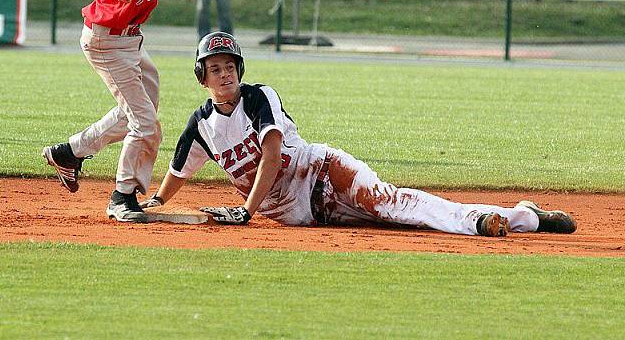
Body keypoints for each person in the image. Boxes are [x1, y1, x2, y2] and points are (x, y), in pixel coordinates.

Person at [140, 32, 578, 237]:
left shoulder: (258, 97)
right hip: (305, 215)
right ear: (203, 78)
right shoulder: (201, 125)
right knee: (401, 223)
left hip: (323, 173)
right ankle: (526, 217)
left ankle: (478, 224)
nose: (224, 75)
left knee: (393, 203)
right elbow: (180, 171)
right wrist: (155, 203)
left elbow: (271, 156)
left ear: (239, 70)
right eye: (215, 69)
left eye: (230, 66)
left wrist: (246, 211)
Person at [42, 0, 239, 223]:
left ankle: (69, 153)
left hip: (129, 39)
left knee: (139, 110)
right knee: (146, 124)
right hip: (107, 40)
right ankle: (122, 196)